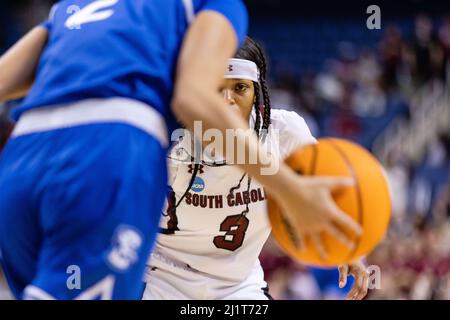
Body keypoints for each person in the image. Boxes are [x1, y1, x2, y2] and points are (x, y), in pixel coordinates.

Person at [142, 38, 369, 300]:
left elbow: (325, 195)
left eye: (240, 88)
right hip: (159, 280)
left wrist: (348, 249)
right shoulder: (166, 136)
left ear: (257, 92)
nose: (227, 100)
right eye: (217, 88)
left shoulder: (283, 134)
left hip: (238, 286)